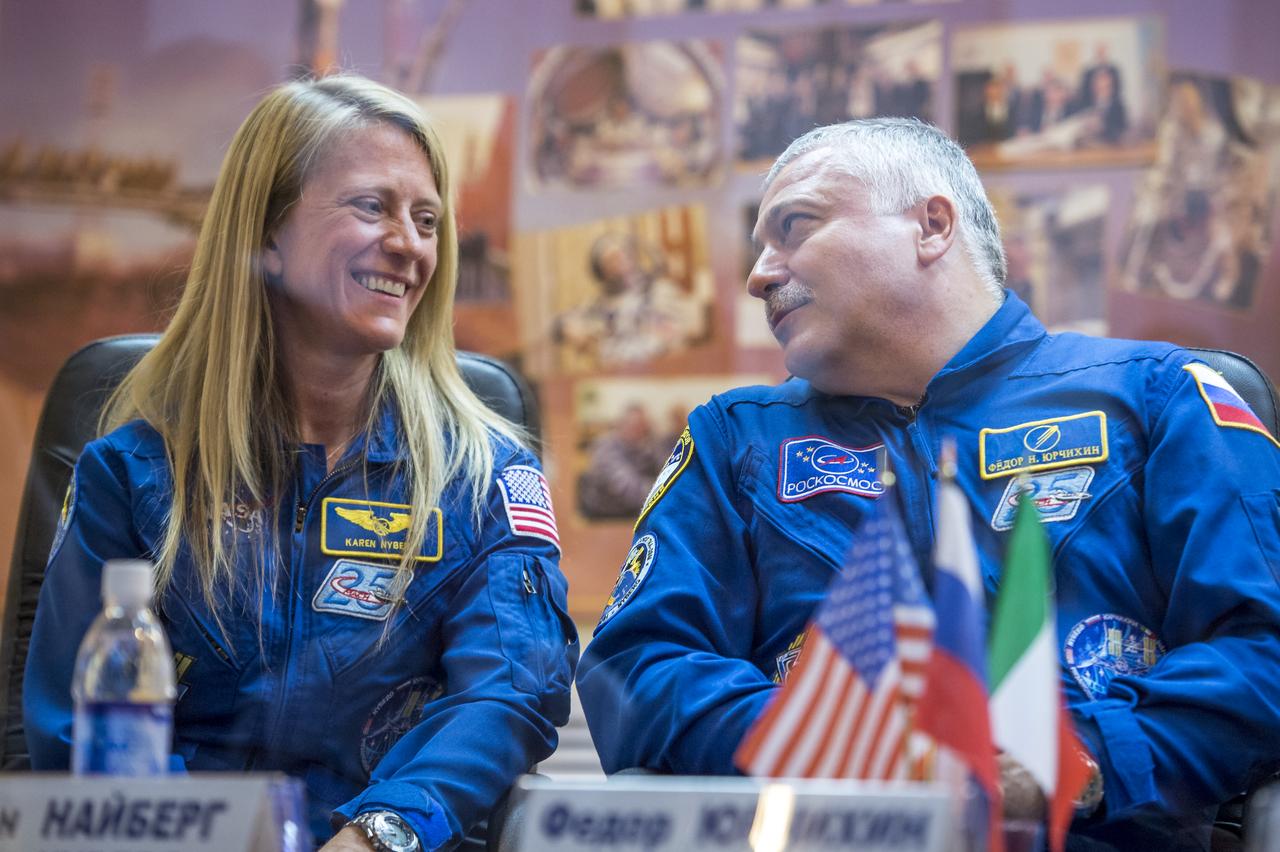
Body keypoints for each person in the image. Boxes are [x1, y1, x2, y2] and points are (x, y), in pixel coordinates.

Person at [575, 117, 1280, 850]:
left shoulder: (1158, 398)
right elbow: (637, 669)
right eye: (760, 247)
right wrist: (839, 743)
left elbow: (1264, 648)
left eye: (794, 227)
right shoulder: (735, 439)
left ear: (932, 226)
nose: (759, 274)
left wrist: (1081, 761)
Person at [24, 75, 578, 851]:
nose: (410, 245)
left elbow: (509, 694)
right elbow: (76, 727)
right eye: (371, 206)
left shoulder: (484, 476)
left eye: (426, 220)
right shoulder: (131, 474)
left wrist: (378, 834)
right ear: (266, 236)